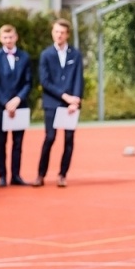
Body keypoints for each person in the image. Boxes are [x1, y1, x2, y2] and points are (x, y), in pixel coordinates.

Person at [36, 18, 83, 187]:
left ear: (67, 35)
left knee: (69, 140)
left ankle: (62, 174)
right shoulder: (46, 54)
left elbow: (79, 78)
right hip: (52, 103)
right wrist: (65, 97)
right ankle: (40, 174)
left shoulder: (75, 54)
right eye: (56, 32)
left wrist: (75, 100)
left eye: (62, 33)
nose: (59, 35)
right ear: (52, 33)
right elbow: (45, 81)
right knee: (50, 138)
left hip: (71, 105)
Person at [0, 24, 31, 186]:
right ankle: (2, 176)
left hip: (20, 106)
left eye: (11, 37)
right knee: (1, 142)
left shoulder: (24, 56)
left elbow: (28, 82)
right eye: (5, 37)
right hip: (1, 107)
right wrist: (6, 102)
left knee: (18, 143)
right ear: (0, 38)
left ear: (16, 37)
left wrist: (17, 99)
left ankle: (16, 175)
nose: (8, 40)